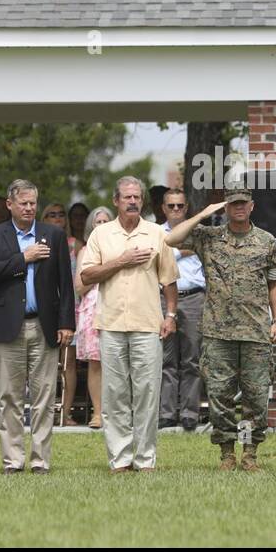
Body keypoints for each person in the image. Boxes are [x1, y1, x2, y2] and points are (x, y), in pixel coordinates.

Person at [165, 185, 276, 472]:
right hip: (218, 332)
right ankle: (227, 453)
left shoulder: (267, 242)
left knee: (256, 397)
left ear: (252, 206)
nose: (239, 208)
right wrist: (205, 213)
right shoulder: (210, 237)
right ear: (226, 208)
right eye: (233, 204)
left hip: (255, 331)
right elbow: (171, 238)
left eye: (243, 203)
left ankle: (250, 452)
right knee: (220, 395)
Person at [79, 177, 178, 472]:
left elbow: (169, 280)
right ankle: (120, 459)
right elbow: (86, 276)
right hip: (110, 324)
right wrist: (122, 260)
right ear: (116, 201)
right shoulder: (101, 235)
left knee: (148, 392)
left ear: (143, 201)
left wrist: (171, 315)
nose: (133, 202)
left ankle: (145, 459)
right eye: (127, 197)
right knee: (115, 394)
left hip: (148, 323)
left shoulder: (157, 234)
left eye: (137, 197)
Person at [0, 180, 75, 474]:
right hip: (8, 328)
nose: (29, 207)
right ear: (10, 205)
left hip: (44, 326)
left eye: (33, 202)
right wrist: (23, 258)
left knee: (45, 396)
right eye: (23, 203)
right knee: (10, 396)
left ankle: (40, 461)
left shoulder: (53, 235)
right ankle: (13, 461)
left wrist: (67, 323)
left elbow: (65, 284)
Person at [159, 188, 206, 431]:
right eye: (171, 206)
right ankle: (166, 413)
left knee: (192, 359)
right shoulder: (156, 232)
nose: (176, 210)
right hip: (164, 299)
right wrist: (179, 251)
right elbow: (157, 256)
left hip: (193, 298)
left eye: (180, 205)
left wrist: (171, 252)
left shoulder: (197, 231)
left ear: (186, 207)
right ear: (163, 208)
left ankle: (189, 413)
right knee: (166, 359)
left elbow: (195, 250)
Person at [40, 201, 80, 423]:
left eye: (60, 214)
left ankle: (65, 412)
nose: (57, 218)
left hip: (71, 308)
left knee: (68, 363)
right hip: (46, 309)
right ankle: (43, 413)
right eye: (51, 214)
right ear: (44, 219)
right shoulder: (37, 244)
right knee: (43, 364)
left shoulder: (76, 244)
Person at [74, 207, 110, 428]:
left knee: (117, 364)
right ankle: (98, 413)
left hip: (117, 309)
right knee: (96, 364)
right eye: (98, 222)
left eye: (107, 221)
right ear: (91, 226)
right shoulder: (85, 251)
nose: (102, 225)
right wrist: (103, 270)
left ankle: (115, 413)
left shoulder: (120, 248)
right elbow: (79, 286)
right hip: (92, 311)